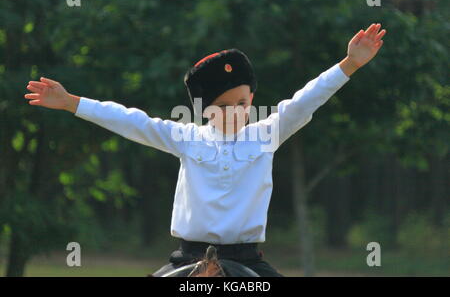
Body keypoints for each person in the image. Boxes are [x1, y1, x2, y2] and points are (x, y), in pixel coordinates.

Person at [24, 23, 386, 277]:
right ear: (203, 110)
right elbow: (131, 121)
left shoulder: (267, 133)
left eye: (241, 102)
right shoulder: (186, 137)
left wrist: (350, 64)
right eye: (222, 106)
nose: (234, 112)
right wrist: (72, 103)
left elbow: (305, 100)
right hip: (187, 255)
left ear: (252, 99)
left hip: (249, 260)